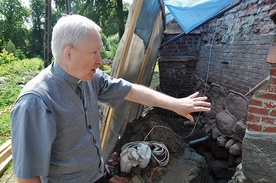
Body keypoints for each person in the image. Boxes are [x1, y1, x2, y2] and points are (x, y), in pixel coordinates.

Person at [11, 14, 211, 183]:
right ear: (69, 53)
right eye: (94, 53)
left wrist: (175, 104)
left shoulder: (90, 78)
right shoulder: (35, 103)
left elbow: (131, 91)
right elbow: (28, 177)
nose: (100, 61)